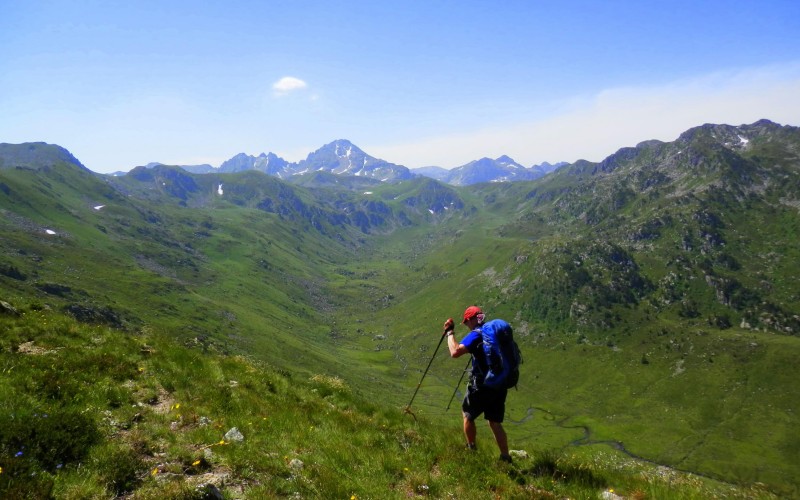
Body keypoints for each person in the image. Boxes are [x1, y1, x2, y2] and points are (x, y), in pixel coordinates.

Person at [443, 306, 512, 463]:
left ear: (472, 319)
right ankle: (506, 457)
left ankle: (471, 448)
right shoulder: (494, 334)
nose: (467, 325)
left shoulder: (476, 335)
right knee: (494, 421)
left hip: (482, 386)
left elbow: (455, 352)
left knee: (468, 414)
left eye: (467, 322)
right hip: (499, 383)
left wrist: (450, 333)